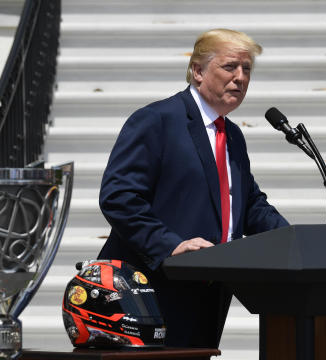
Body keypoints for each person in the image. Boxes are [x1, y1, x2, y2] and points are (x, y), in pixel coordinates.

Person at [98, 29, 290, 348]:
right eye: (230, 67)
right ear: (198, 71)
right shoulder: (157, 120)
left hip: (209, 293)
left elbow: (251, 207)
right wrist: (170, 245)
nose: (240, 78)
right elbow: (119, 197)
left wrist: (298, 243)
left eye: (247, 70)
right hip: (150, 293)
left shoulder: (232, 136)